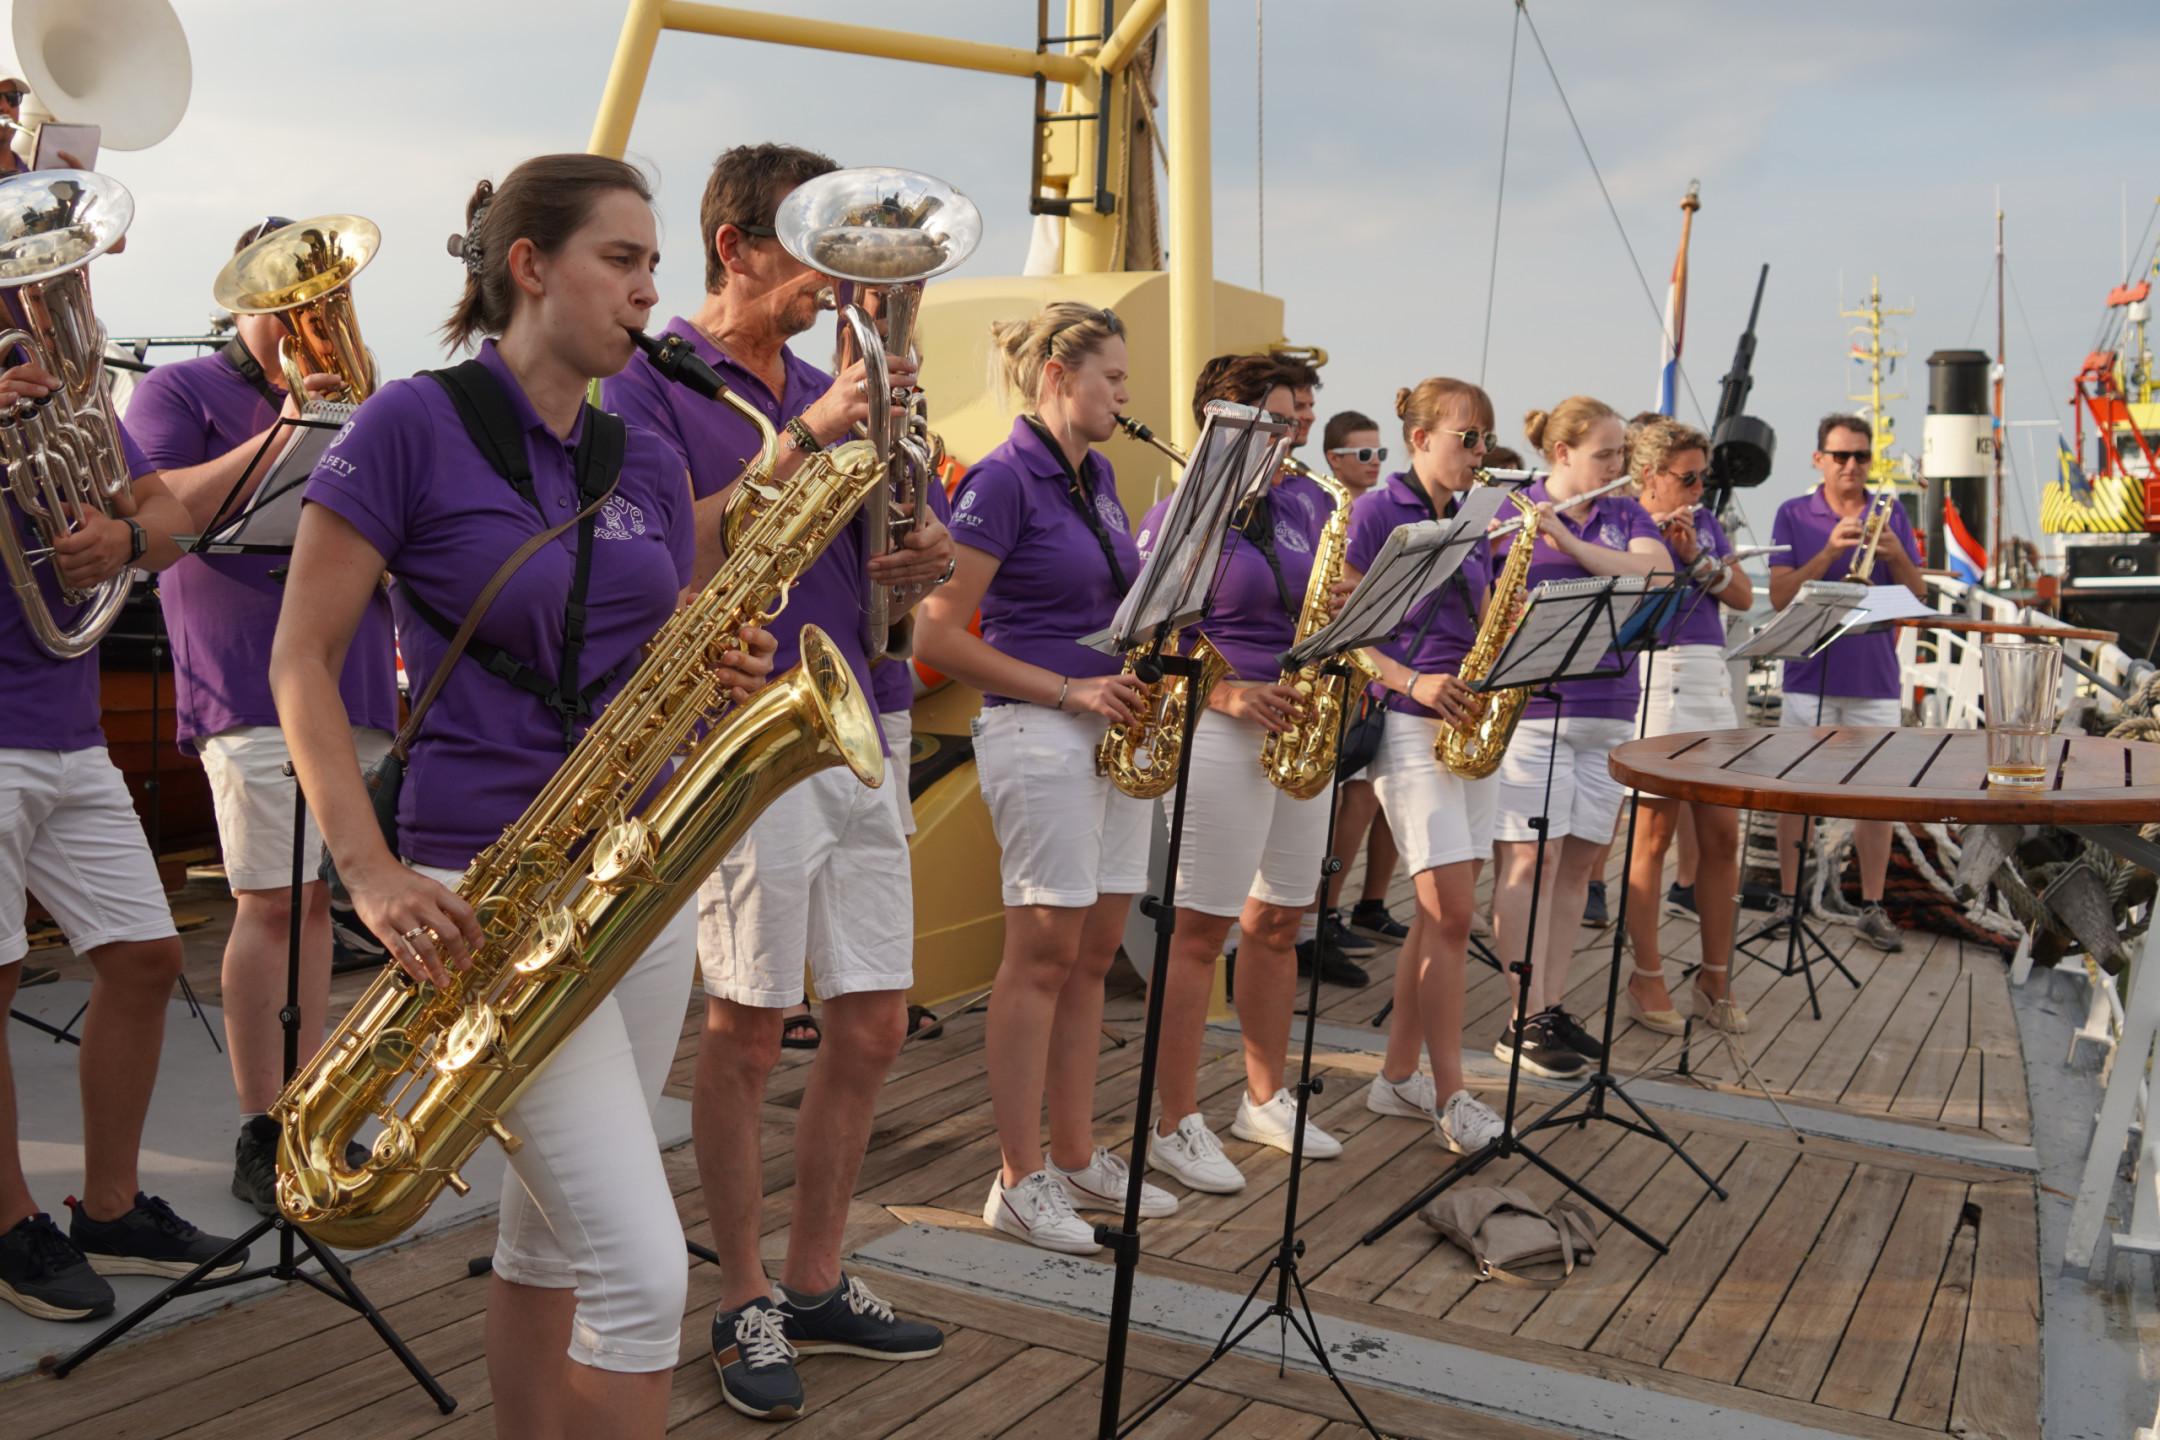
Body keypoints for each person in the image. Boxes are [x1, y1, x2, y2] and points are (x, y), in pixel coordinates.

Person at [272, 153, 778, 1439]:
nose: (652, 291)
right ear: (530, 265)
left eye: (657, 264)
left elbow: (641, 648)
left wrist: (713, 665)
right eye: (625, 260)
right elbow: (299, 660)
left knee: (551, 1244)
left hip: (636, 869)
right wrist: (370, 870)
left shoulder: (640, 452)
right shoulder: (409, 425)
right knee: (644, 1268)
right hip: (479, 881)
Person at [601, 142, 950, 1421]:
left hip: (868, 713)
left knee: (873, 1019)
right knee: (745, 1028)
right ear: (737, 249)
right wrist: (811, 432)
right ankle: (743, 1293)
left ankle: (815, 1278)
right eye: (816, 253)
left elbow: (891, 543)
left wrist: (921, 548)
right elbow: (664, 551)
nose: (837, 284)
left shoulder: (834, 381)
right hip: (750, 726)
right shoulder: (647, 383)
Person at [123, 217, 400, 1216]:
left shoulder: (368, 398)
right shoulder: (180, 392)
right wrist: (286, 427)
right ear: (243, 298)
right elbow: (160, 519)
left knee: (319, 905)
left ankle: (311, 1108)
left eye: (322, 298)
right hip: (245, 670)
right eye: (287, 297)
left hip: (353, 670)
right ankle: (261, 1122)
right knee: (271, 901)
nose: (306, 317)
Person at [916, 301, 1178, 1255]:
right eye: (1112, 376)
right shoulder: (1000, 478)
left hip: (1098, 728)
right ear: (1060, 377)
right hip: (1040, 729)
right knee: (1038, 958)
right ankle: (1017, 1178)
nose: (1125, 394)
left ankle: (1074, 1152)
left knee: (1093, 955)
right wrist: (1073, 689)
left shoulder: (1098, 473)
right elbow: (937, 634)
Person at [0, 354, 248, 1323]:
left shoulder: (61, 394)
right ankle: (12, 1222)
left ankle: (107, 1210)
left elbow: (172, 524)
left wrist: (124, 536)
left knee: (145, 959)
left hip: (67, 728)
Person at [1129, 355, 1345, 1197]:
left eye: (1299, 418)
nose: (1297, 433)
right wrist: (1227, 693)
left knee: (1282, 919)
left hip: (1300, 718)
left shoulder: (1306, 501)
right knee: (1198, 932)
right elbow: (1146, 640)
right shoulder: (1184, 509)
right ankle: (1172, 1120)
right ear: (1229, 421)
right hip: (1220, 727)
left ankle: (1264, 1095)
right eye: (1282, 418)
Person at [1342, 377, 1511, 1153]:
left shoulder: (1474, 518)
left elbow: (1480, 620)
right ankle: (1453, 1095)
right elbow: (1343, 628)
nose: (1479, 453)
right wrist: (1412, 680)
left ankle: (1397, 1075)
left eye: (1484, 439)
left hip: (1465, 721)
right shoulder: (1379, 511)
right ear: (1419, 440)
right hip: (1409, 721)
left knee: (1439, 914)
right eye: (1465, 438)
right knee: (1450, 915)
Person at [1489, 397, 1668, 1080]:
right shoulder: (1513, 510)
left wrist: (1569, 542)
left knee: (1578, 868)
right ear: (1562, 454)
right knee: (1529, 863)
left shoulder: (1622, 512)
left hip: (1611, 708)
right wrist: (1537, 537)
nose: (1618, 467)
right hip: (1535, 710)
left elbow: (1652, 573)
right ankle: (1521, 1014)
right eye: (1606, 455)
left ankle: (1551, 1003)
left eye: (1622, 454)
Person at [1767, 415, 1924, 953]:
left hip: (1875, 678)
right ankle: (1789, 899)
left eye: (1861, 456)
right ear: (1819, 460)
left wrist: (1897, 554)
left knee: (1875, 798)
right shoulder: (1793, 513)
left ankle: (1872, 905)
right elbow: (1780, 596)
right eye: (1841, 456)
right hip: (1809, 674)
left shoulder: (1891, 511)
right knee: (1795, 794)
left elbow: (1919, 592)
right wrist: (1831, 551)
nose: (1853, 466)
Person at [1618, 418, 1751, 1034]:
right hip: (1655, 673)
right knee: (1652, 837)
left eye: (1704, 476)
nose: (1699, 489)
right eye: (1688, 477)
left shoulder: (1705, 523)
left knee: (1723, 836)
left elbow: (1744, 595)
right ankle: (1646, 977)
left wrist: (1698, 555)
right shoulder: (1626, 520)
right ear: (1650, 476)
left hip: (1708, 678)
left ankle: (1715, 976)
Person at [1317, 409, 1409, 949]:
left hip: (1381, 671)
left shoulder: (1372, 511)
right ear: (1335, 459)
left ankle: (1369, 904)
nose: (1375, 464)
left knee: (1376, 799)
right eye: (1363, 454)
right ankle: (1323, 914)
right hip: (1350, 670)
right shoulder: (1341, 512)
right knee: (1353, 798)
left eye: (1381, 454)